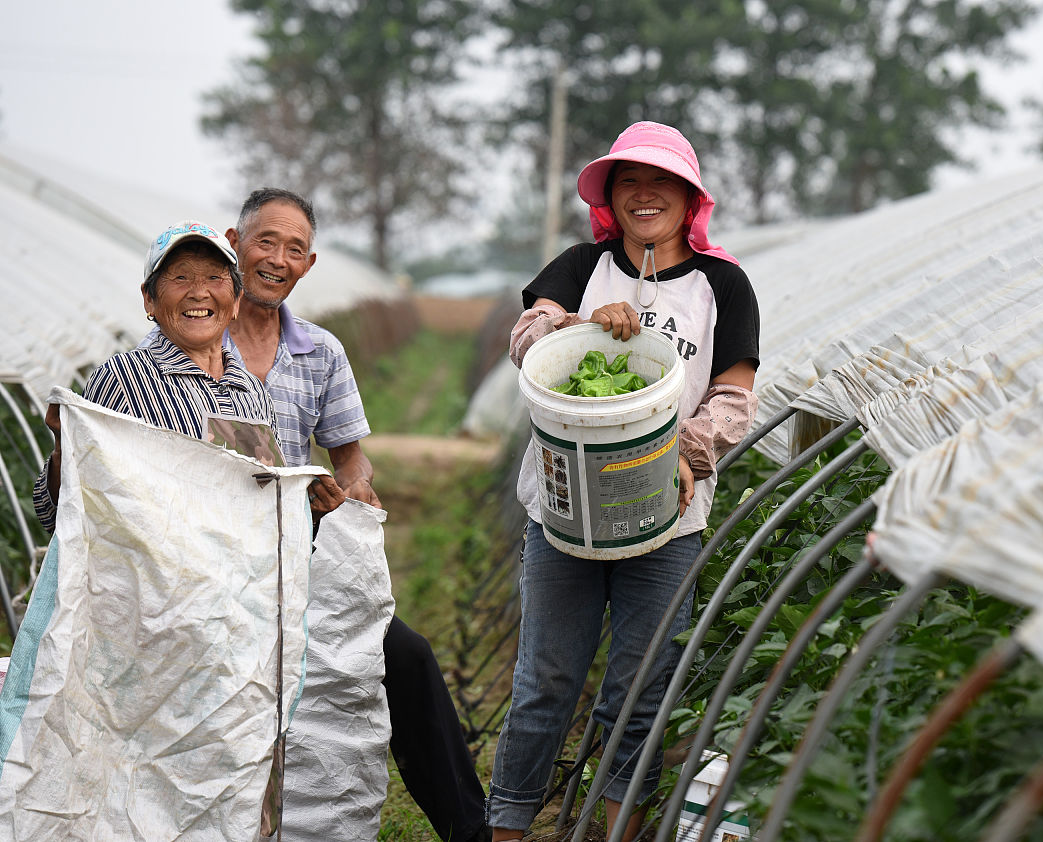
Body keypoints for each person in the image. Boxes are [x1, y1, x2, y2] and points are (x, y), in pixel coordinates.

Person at [489, 121, 761, 841]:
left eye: (662, 182)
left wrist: (688, 454)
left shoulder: (721, 286)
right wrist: (575, 327)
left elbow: (735, 396)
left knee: (639, 695)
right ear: (611, 197)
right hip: (565, 511)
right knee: (544, 686)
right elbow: (527, 338)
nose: (646, 195)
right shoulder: (583, 265)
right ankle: (509, 828)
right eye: (629, 182)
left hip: (668, 524)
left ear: (689, 198)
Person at [221, 188, 488, 842]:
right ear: (235, 242)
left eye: (293, 248)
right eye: (265, 241)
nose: (277, 258)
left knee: (406, 657)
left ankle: (470, 829)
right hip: (218, 557)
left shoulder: (320, 352)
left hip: (300, 552)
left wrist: (353, 490)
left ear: (308, 264)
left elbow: (352, 459)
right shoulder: (193, 340)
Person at [33, 220, 277, 529]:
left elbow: (271, 505)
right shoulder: (122, 378)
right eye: (181, 277)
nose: (199, 293)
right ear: (150, 298)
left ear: (236, 302)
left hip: (247, 575)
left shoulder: (254, 392)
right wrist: (63, 451)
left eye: (215, 277)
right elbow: (59, 515)